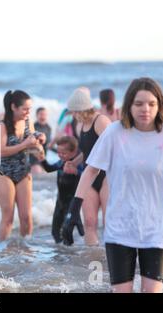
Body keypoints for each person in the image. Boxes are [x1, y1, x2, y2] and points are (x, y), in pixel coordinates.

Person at [62, 77, 163, 293]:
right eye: (139, 103)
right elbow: (91, 169)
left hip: (158, 228)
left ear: (160, 105)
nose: (145, 109)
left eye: (151, 103)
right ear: (129, 104)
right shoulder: (115, 133)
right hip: (120, 227)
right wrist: (74, 209)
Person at [0, 90, 46, 241]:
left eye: (30, 108)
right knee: (8, 217)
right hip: (3, 173)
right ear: (13, 107)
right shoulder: (0, 124)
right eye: (25, 109)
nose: (29, 112)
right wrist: (24, 144)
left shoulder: (28, 121)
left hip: (23, 171)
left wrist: (39, 144)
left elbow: (33, 140)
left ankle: (26, 252)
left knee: (26, 217)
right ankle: (2, 252)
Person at [65, 87, 111, 246]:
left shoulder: (101, 121)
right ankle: (93, 257)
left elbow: (115, 151)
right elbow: (88, 151)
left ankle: (110, 259)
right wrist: (75, 161)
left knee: (108, 223)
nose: (74, 116)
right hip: (89, 177)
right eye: (73, 113)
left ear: (84, 109)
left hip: (107, 177)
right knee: (89, 222)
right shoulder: (79, 125)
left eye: (76, 112)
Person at [36, 136, 83, 243]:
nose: (60, 155)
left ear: (74, 152)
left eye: (63, 153)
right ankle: (61, 253)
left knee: (67, 230)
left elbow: (86, 177)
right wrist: (42, 160)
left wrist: (76, 172)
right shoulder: (61, 162)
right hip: (60, 202)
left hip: (72, 203)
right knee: (55, 231)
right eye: (58, 152)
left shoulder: (77, 165)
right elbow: (49, 169)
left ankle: (70, 251)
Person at [30, 107, 52, 174]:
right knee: (38, 174)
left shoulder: (48, 128)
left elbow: (48, 145)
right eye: (41, 114)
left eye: (45, 114)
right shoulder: (33, 127)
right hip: (33, 159)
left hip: (43, 158)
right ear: (37, 115)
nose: (43, 116)